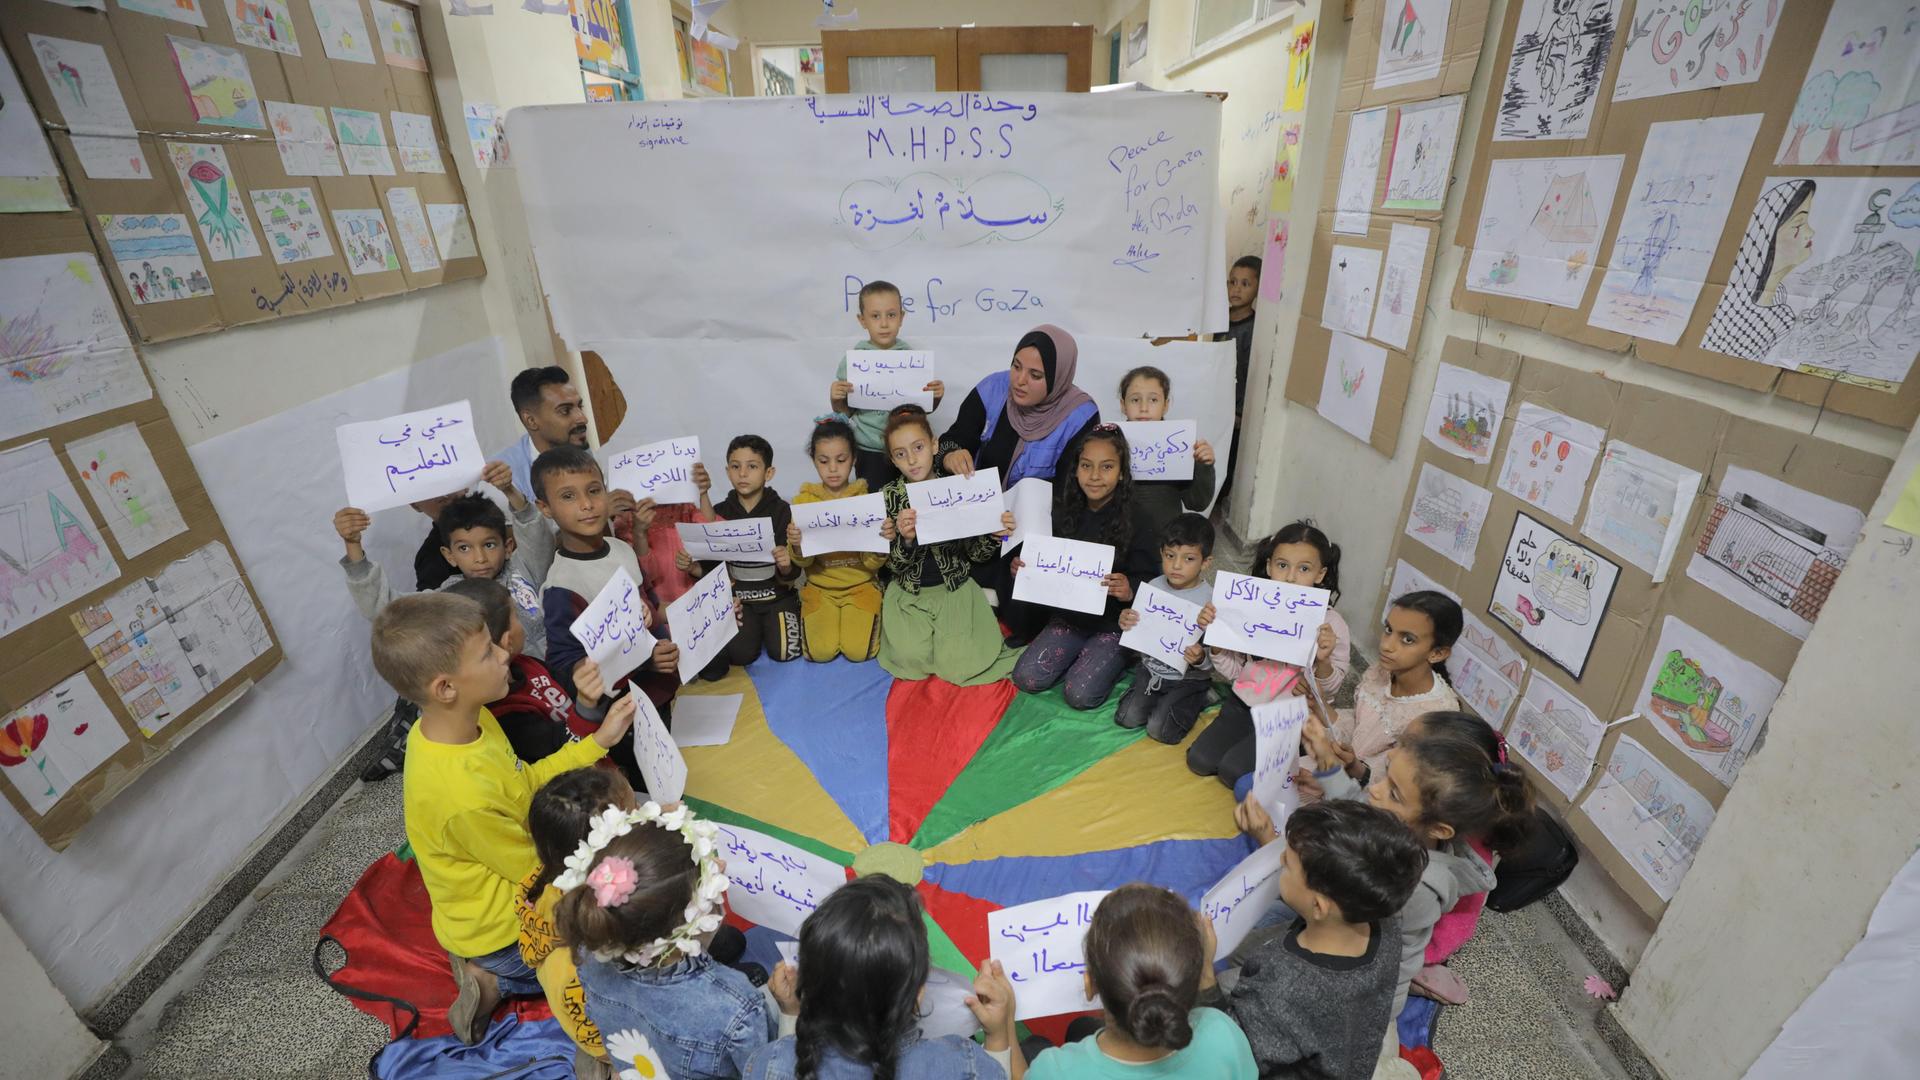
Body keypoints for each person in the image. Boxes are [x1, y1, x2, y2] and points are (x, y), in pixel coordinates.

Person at [372, 592, 638, 1045]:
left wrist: (596, 743)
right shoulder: (462, 794)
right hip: (504, 930)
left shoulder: (465, 722)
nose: (504, 653)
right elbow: (538, 874)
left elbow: (526, 783)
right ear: (446, 688)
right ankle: (497, 977)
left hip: (511, 882)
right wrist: (621, 850)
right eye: (487, 653)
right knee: (619, 953)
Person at [1240, 711, 1533, 1052]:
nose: (1374, 791)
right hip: (1329, 924)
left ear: (1439, 830)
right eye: (1387, 776)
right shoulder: (1400, 826)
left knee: (1249, 968)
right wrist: (1327, 760)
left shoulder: (1414, 887)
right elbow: (1357, 803)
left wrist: (1271, 845)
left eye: (1394, 793)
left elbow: (1380, 950)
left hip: (1343, 970)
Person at [1198, 800, 1427, 1080]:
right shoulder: (1383, 919)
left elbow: (1231, 1051)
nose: (1281, 859)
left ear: (1318, 907)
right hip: (1346, 1051)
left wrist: (1205, 976)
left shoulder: (1284, 985)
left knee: (1217, 990)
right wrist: (1269, 840)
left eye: (1288, 864)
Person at [555, 800, 773, 1079]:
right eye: (711, 874)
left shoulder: (590, 948)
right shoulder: (736, 1007)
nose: (721, 866)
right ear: (693, 916)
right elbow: (763, 1071)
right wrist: (790, 1013)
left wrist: (662, 847)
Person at [752, 875, 1015, 1079]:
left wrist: (790, 1015)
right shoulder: (964, 1065)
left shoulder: (768, 1063)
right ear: (918, 994)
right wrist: (999, 1034)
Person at [1015, 884, 1257, 1079]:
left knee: (1035, 1045)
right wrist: (1205, 970)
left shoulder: (1053, 1070)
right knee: (1079, 1027)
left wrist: (1000, 1034)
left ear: (1089, 986)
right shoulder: (1223, 1033)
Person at [1187, 521, 1352, 789]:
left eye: (1304, 569)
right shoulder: (1251, 608)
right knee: (1199, 761)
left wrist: (1322, 660)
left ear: (1320, 574)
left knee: (1232, 773)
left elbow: (1332, 689)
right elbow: (1234, 672)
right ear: (1269, 567)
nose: (1290, 577)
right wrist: (1217, 640)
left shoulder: (1331, 625)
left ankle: (1297, 745)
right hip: (1244, 703)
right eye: (1282, 565)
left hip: (1289, 715)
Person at [337, 465, 556, 659]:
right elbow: (383, 606)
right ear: (449, 555)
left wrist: (509, 490)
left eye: (489, 545)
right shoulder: (449, 599)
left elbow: (536, 537)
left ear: (508, 547)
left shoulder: (525, 568)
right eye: (464, 548)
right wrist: (352, 543)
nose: (479, 558)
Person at [1010, 426, 1158, 710]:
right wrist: (1024, 569)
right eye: (1086, 466)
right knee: (1025, 677)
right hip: (1068, 619)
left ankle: (1117, 657)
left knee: (1079, 695)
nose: (1094, 476)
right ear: (1076, 469)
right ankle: (1079, 654)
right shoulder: (1061, 511)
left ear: (1122, 472)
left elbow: (1154, 579)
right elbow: (1043, 562)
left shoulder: (1140, 519)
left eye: (1107, 467)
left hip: (1112, 625)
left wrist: (1129, 589)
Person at [877, 406, 1020, 686]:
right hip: (909, 593)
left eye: (918, 447)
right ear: (893, 460)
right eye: (901, 454)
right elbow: (890, 565)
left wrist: (993, 534)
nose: (912, 460)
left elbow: (975, 554)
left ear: (934, 445)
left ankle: (977, 616)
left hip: (953, 589)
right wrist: (906, 540)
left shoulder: (957, 489)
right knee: (912, 659)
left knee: (958, 665)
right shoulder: (889, 497)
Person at [534, 447, 681, 711]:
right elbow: (568, 668)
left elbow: (652, 608)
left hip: (662, 692)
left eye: (594, 491)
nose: (587, 504)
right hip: (623, 712)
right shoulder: (562, 586)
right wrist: (645, 660)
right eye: (568, 496)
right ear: (545, 507)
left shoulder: (622, 549)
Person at [518, 768, 637, 1074]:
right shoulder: (589, 948)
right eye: (635, 817)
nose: (644, 820)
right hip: (609, 1039)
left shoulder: (550, 881)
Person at [445, 577, 616, 769]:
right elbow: (559, 753)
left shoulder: (526, 665)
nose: (521, 622)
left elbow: (569, 684)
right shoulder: (504, 716)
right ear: (507, 641)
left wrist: (587, 680)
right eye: (516, 616)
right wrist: (586, 706)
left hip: (604, 759)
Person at [1313, 590, 1463, 792]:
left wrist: (1357, 769)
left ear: (1437, 653)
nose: (1386, 645)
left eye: (1407, 639)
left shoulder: (1435, 718)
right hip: (1342, 775)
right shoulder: (1381, 672)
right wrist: (1319, 705)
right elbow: (1360, 729)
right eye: (1389, 630)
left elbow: (1408, 791)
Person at [678, 435, 803, 673]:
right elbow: (712, 565)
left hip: (776, 596)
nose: (743, 473)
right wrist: (692, 567)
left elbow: (792, 571)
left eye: (752, 466)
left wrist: (787, 564)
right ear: (727, 471)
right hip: (739, 601)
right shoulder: (721, 512)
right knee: (740, 656)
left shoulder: (783, 511)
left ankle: (783, 618)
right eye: (736, 466)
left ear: (768, 473)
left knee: (787, 652)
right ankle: (757, 629)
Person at [940, 324, 1100, 490]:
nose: (1020, 380)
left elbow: (1073, 488)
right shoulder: (992, 389)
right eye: (1016, 366)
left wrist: (1019, 513)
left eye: (1035, 375)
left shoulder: (1081, 417)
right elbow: (954, 439)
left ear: (1058, 377)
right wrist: (949, 456)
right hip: (979, 505)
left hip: (1042, 514)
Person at [786, 416, 886, 662]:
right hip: (820, 589)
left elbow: (873, 564)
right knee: (820, 653)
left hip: (860, 587)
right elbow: (803, 565)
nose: (833, 468)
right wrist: (796, 544)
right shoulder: (803, 503)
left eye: (841, 460)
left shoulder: (866, 501)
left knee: (857, 653)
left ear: (853, 459)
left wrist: (881, 543)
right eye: (824, 461)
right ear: (813, 460)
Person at [828, 280, 944, 488]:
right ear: (862, 320)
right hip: (870, 449)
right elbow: (845, 413)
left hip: (907, 448)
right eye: (875, 316)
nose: (883, 323)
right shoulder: (854, 361)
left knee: (911, 501)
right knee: (878, 505)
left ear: (901, 317)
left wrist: (935, 397)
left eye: (891, 315)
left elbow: (922, 412)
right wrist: (836, 399)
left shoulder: (912, 359)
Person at [1114, 513, 1215, 743]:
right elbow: (1138, 627)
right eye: (1170, 556)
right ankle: (1158, 697)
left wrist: (1200, 659)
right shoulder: (1153, 587)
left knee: (1159, 731)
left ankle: (1200, 696)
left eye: (1189, 559)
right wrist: (1126, 621)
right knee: (1126, 718)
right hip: (1151, 669)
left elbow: (1213, 658)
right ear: (1161, 553)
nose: (1176, 565)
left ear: (1206, 562)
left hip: (1188, 678)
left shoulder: (1210, 603)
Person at [1700, 179, 1815, 362]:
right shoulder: (1731, 316)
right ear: (1769, 234)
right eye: (1799, 224)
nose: (1810, 232)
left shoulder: (1779, 298)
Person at [1116, 366, 1217, 541]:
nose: (1144, 408)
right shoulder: (1109, 443)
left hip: (1163, 543)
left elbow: (1197, 503)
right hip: (1119, 537)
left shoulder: (1180, 446)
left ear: (1166, 405)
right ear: (1123, 405)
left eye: (1153, 400)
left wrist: (1204, 466)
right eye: (1135, 400)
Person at [497, 366, 592, 500]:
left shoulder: (580, 449)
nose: (583, 418)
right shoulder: (502, 480)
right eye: (565, 411)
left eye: (580, 407)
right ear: (531, 421)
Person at [1215, 256, 1260, 496]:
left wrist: (1239, 412)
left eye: (1245, 284)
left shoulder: (1253, 329)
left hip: (1235, 410)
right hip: (1213, 402)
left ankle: (1220, 501)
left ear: (1258, 288)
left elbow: (1247, 374)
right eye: (1232, 282)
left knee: (1227, 458)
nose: (1236, 289)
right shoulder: (1217, 320)